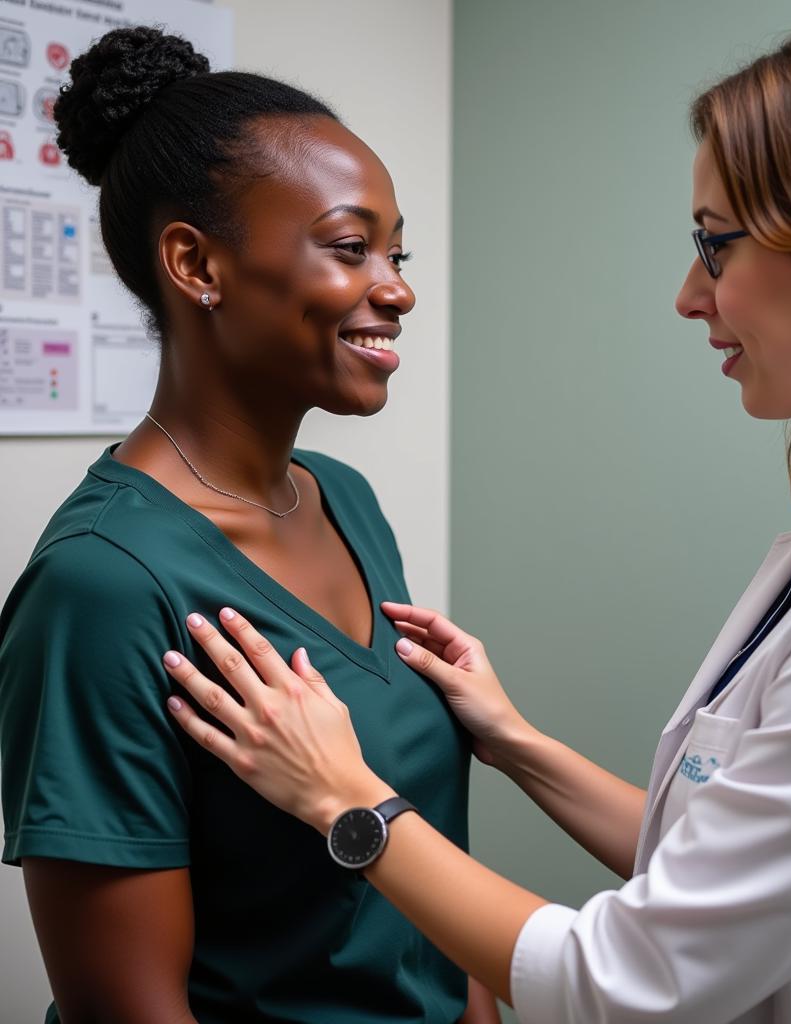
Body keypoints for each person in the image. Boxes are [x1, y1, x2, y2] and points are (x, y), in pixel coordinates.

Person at [156, 16, 791, 1024]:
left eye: (714, 243)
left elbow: (628, 980)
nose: (687, 295)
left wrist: (343, 796)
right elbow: (721, 856)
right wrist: (515, 740)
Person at [0, 26, 498, 1024]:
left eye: (397, 253)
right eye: (352, 248)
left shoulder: (343, 500)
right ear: (195, 263)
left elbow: (431, 875)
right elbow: (128, 1010)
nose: (396, 288)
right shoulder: (103, 587)